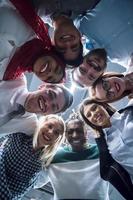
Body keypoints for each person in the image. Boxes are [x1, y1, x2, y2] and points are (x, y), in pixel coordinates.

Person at [35, 112, 109, 200]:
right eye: (70, 132)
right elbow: (37, 182)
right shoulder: (53, 156)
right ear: (65, 136)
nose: (75, 135)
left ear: (86, 132)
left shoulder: (102, 151)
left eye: (79, 131)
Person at [0, 114, 65, 200]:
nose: (50, 132)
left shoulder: (47, 159)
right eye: (49, 126)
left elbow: (38, 182)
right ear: (42, 123)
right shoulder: (20, 135)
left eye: (56, 133)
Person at [0, 0, 66, 83]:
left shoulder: (8, 74)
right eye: (56, 69)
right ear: (54, 56)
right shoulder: (31, 30)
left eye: (49, 78)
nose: (50, 72)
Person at [80, 98, 133, 199]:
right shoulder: (105, 145)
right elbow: (105, 173)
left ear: (103, 105)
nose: (93, 114)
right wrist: (99, 139)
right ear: (90, 122)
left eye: (94, 108)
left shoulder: (128, 114)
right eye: (89, 115)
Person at [31, 0, 101, 67]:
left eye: (62, 48)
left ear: (52, 42)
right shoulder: (88, 3)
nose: (67, 43)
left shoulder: (35, 11)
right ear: (79, 36)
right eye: (74, 46)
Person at [0, 74, 73, 136]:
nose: (47, 103)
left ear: (48, 114)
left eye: (53, 107)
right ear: (43, 86)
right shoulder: (16, 78)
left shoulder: (31, 125)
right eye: (50, 94)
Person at [78, 0, 133, 70]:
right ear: (102, 74)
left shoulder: (83, 26)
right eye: (92, 76)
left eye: (82, 70)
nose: (91, 69)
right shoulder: (127, 61)